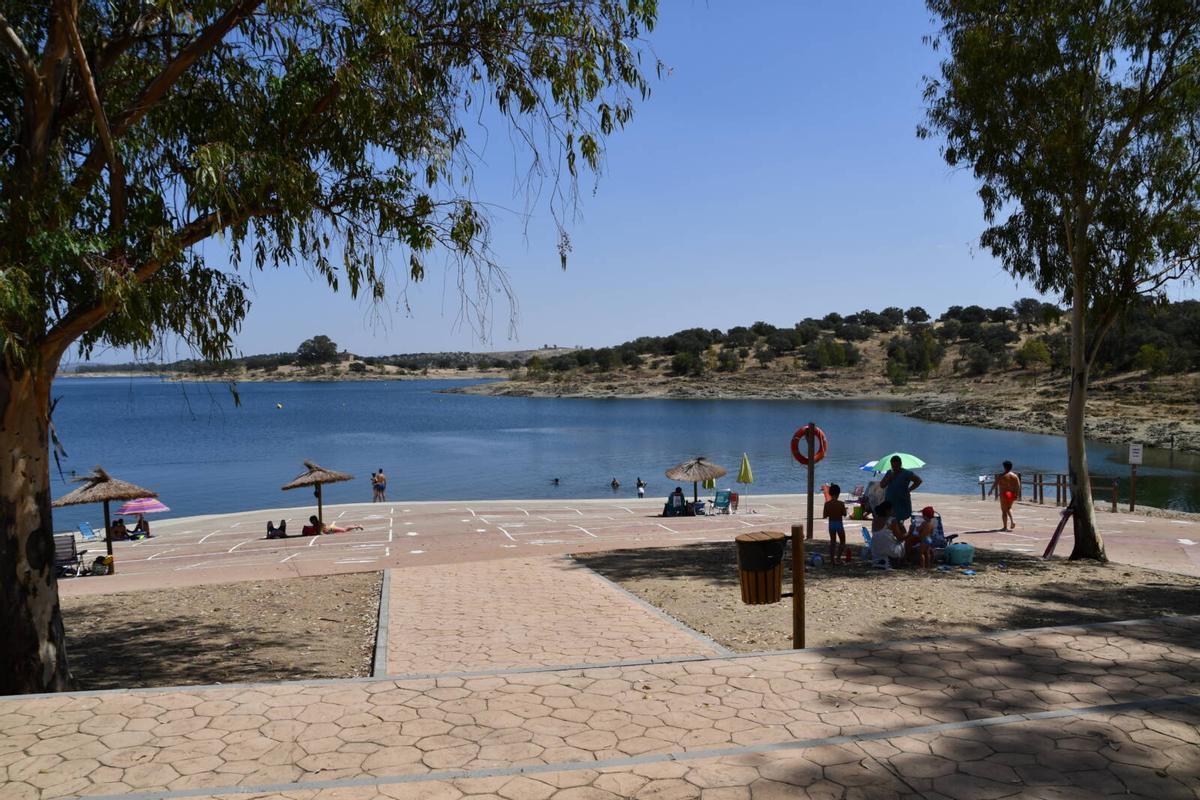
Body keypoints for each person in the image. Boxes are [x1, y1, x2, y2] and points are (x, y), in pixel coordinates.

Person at [880, 456, 922, 523]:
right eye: (893, 466)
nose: (895, 468)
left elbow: (918, 481)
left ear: (900, 464)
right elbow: (882, 485)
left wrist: (909, 489)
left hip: (902, 501)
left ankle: (901, 532)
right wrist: (888, 478)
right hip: (890, 501)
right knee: (891, 521)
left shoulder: (907, 473)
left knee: (899, 521)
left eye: (896, 466)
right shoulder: (889, 472)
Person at [868, 501, 905, 567]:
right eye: (892, 509)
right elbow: (900, 538)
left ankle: (889, 560)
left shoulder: (875, 520)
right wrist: (906, 530)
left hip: (876, 551)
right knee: (906, 543)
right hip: (889, 550)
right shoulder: (892, 520)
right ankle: (902, 561)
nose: (893, 511)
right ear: (888, 511)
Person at [822, 483, 847, 563]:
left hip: (831, 524)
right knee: (842, 541)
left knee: (833, 542)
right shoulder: (841, 503)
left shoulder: (827, 504)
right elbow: (844, 514)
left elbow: (825, 515)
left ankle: (832, 560)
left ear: (830, 493)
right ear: (838, 493)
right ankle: (838, 558)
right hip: (839, 523)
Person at [996, 461, 1021, 531]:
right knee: (1009, 508)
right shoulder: (1015, 476)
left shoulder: (1002, 475)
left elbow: (995, 483)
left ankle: (1005, 526)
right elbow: (1018, 486)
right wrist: (1017, 494)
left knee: (1004, 510)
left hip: (1004, 494)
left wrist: (991, 490)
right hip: (1011, 494)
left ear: (1004, 467)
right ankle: (1012, 520)